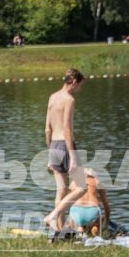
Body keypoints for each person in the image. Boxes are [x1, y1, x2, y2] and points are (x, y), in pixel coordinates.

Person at [42, 69, 88, 236]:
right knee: (81, 187)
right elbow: (67, 129)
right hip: (65, 144)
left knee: (61, 190)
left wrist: (49, 155)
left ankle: (58, 231)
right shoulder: (69, 99)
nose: (79, 90)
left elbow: (47, 129)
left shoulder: (52, 97)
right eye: (80, 86)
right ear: (74, 82)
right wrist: (73, 156)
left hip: (53, 144)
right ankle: (53, 216)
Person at [70, 170, 108, 237]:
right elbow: (106, 205)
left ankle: (80, 229)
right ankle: (95, 227)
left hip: (77, 210)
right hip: (92, 209)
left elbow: (69, 201)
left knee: (75, 220)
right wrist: (107, 220)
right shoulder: (97, 182)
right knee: (102, 218)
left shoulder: (74, 182)